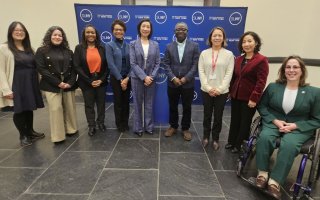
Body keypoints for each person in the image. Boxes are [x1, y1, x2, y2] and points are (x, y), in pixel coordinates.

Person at [255, 56, 320, 199]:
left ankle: (275, 181)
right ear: (283, 70)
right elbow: (262, 106)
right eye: (288, 67)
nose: (291, 70)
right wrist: (275, 121)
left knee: (289, 145)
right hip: (274, 122)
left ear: (302, 70)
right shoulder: (273, 87)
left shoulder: (314, 92)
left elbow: (317, 119)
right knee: (264, 138)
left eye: (295, 67)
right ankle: (262, 174)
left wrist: (295, 125)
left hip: (299, 127)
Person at [0, 21, 44, 146]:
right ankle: (23, 135)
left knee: (29, 107)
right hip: (16, 83)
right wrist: (5, 90)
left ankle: (30, 131)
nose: (19, 32)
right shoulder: (4, 48)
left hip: (30, 83)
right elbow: (1, 70)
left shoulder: (29, 48)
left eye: (22, 30)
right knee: (19, 110)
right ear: (10, 32)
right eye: (16, 30)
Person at [226, 31, 269, 153]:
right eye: (244, 42)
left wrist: (254, 98)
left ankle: (239, 145)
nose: (246, 44)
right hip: (236, 95)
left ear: (256, 43)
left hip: (249, 98)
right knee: (235, 119)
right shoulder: (239, 59)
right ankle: (231, 141)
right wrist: (230, 91)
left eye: (249, 41)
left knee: (245, 122)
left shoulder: (261, 60)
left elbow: (261, 81)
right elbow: (234, 77)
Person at [35, 26, 78, 143]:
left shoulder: (69, 52)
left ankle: (71, 129)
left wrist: (70, 83)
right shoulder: (41, 51)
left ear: (63, 37)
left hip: (68, 84)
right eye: (55, 35)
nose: (57, 37)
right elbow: (42, 69)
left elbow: (74, 69)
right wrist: (58, 83)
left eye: (60, 35)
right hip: (51, 84)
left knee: (70, 108)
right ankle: (58, 136)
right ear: (49, 36)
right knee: (56, 109)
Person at [198, 27, 234, 150]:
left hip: (221, 92)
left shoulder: (229, 55)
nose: (217, 38)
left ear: (223, 38)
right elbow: (201, 72)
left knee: (218, 116)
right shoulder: (204, 53)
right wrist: (208, 88)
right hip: (206, 90)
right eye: (215, 35)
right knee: (207, 115)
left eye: (220, 35)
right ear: (210, 38)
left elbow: (229, 74)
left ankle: (216, 138)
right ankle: (206, 136)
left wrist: (220, 89)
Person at [163, 22, 200, 141]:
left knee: (187, 107)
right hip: (172, 83)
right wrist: (173, 78)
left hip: (187, 84)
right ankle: (173, 126)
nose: (181, 31)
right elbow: (166, 64)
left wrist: (186, 78)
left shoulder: (194, 46)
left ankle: (185, 128)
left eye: (183, 29)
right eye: (178, 29)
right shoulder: (169, 46)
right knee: (172, 106)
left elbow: (195, 64)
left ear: (187, 31)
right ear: (174, 32)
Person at [73, 24, 108, 136]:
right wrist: (89, 80)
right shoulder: (79, 48)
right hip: (86, 81)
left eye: (92, 32)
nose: (90, 34)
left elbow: (107, 66)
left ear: (96, 34)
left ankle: (101, 123)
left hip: (101, 81)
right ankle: (91, 125)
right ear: (84, 34)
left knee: (101, 104)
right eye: (88, 32)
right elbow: (77, 66)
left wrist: (101, 80)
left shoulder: (102, 48)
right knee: (89, 105)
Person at [129, 19, 160, 137]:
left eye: (148, 27)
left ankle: (149, 126)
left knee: (149, 103)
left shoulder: (155, 44)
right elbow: (133, 63)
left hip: (151, 79)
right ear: (139, 28)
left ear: (150, 29)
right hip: (137, 78)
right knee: (137, 103)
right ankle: (138, 128)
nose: (146, 29)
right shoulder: (133, 44)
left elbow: (158, 63)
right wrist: (144, 77)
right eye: (143, 26)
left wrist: (150, 77)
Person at [105, 19, 130, 133]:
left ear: (124, 31)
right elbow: (110, 64)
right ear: (112, 31)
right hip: (116, 78)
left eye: (121, 29)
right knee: (118, 101)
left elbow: (132, 63)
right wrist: (121, 80)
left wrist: (127, 78)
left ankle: (125, 122)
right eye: (116, 29)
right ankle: (119, 124)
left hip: (127, 77)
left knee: (126, 102)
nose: (118, 31)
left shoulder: (129, 45)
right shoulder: (109, 45)